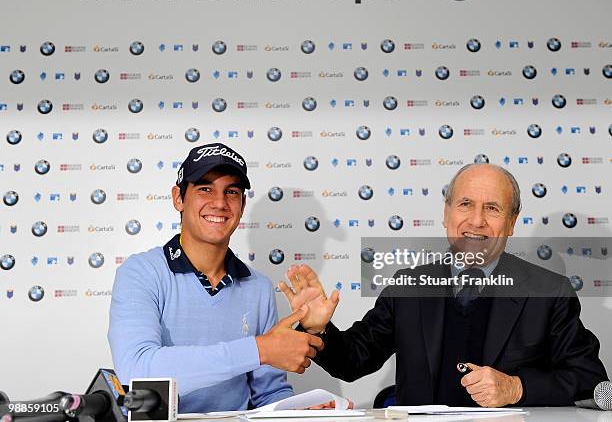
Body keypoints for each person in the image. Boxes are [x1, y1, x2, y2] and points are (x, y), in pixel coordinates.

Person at [280, 163, 608, 407]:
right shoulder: (408, 287)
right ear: (446, 212)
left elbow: (590, 382)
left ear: (511, 222)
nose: (476, 220)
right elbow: (353, 360)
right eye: (465, 204)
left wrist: (517, 387)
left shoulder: (549, 292)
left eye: (492, 209)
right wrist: (318, 328)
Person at [108, 143, 323, 413]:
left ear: (242, 205)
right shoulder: (141, 272)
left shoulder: (258, 287)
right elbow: (137, 373)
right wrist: (259, 349)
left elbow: (269, 394)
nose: (220, 203)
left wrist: (299, 412)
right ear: (179, 198)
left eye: (231, 192)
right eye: (205, 188)